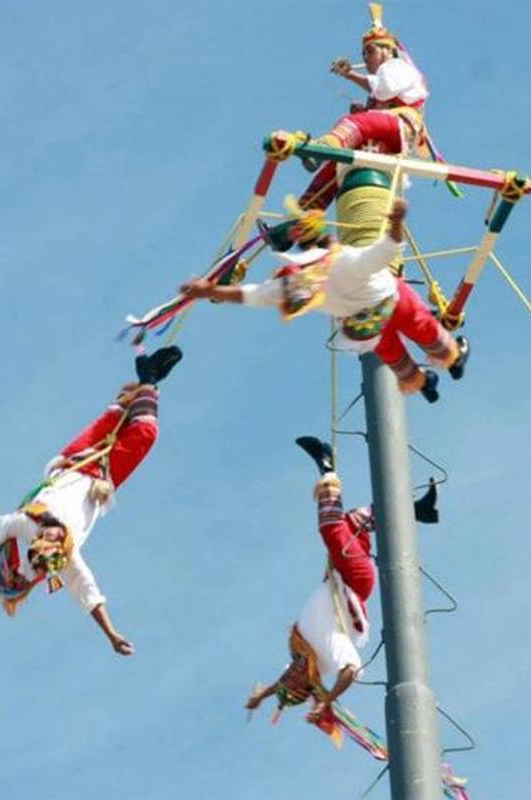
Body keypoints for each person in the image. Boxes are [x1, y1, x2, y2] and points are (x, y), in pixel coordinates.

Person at [0, 346, 183, 654]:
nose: (52, 534)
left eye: (46, 538)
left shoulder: (26, 524)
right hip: (101, 478)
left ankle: (145, 379)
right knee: (144, 432)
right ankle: (149, 376)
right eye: (54, 539)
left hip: (72, 461)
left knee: (120, 411)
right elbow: (87, 593)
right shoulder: (68, 558)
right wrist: (112, 634)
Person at [181, 198, 469, 403]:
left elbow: (253, 295)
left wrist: (207, 291)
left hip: (367, 326)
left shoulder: (299, 285)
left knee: (398, 358)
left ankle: (424, 381)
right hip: (391, 304)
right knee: (429, 336)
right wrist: (395, 223)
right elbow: (387, 250)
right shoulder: (343, 261)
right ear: (326, 243)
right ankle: (450, 361)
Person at [245, 436, 438, 726]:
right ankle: (327, 468)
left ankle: (418, 511)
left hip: (341, 573)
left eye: (288, 676)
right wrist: (327, 699)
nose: (291, 673)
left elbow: (281, 681)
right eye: (296, 679)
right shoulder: (326, 655)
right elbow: (350, 669)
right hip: (354, 580)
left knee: (350, 522)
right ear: (309, 682)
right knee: (330, 527)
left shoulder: (300, 649)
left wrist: (263, 696)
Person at [293, 5, 431, 211]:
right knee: (336, 167)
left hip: (401, 126)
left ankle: (323, 148)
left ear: (388, 50)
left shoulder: (397, 67)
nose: (366, 58)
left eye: (370, 51)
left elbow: (384, 91)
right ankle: (299, 221)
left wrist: (351, 77)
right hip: (384, 138)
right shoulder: (385, 75)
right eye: (364, 53)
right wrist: (363, 111)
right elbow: (379, 101)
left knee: (351, 123)